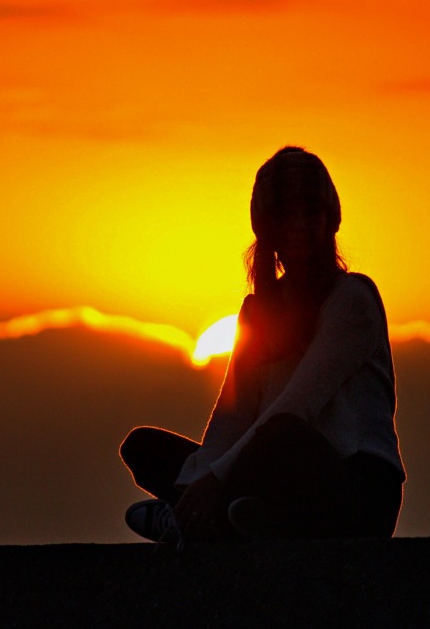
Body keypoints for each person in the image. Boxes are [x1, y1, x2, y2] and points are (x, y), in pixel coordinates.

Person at [119, 146, 404, 544]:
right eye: (287, 215)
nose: (300, 225)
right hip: (271, 474)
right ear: (268, 227)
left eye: (311, 212)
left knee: (281, 432)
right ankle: (239, 520)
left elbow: (297, 407)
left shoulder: (352, 300)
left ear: (331, 220)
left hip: (356, 489)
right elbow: (230, 421)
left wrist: (215, 481)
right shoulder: (258, 314)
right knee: (143, 447)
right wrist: (197, 483)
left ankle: (211, 522)